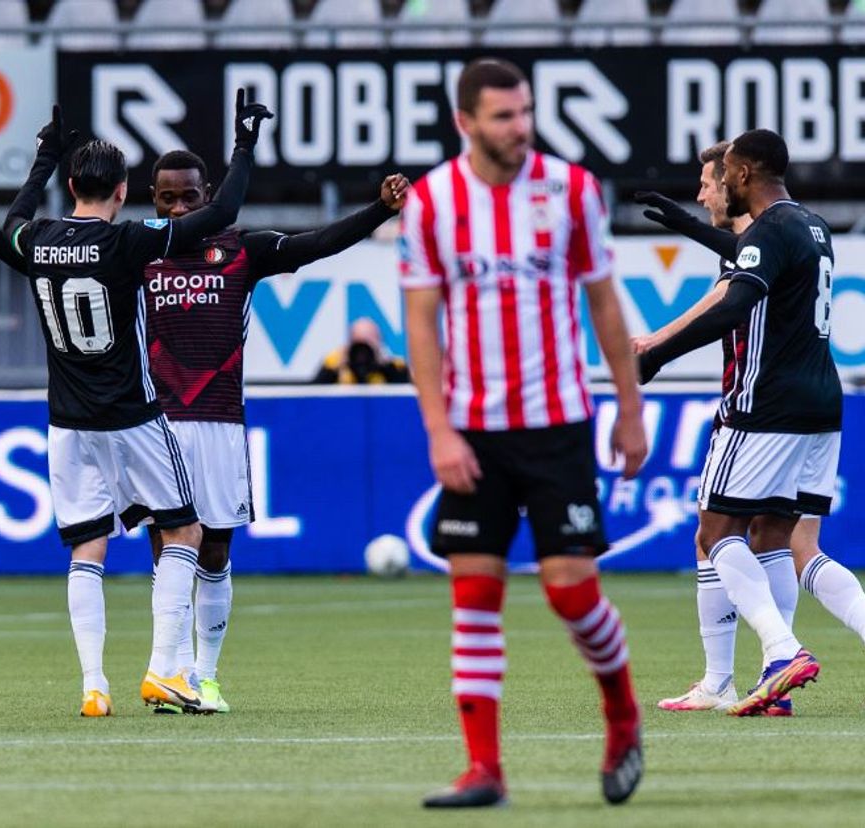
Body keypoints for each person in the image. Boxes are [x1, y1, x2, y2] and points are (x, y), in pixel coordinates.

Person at [0, 147, 409, 714]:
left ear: (207, 193)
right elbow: (45, 261)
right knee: (167, 544)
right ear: (140, 195)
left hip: (216, 422)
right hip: (151, 420)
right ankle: (169, 671)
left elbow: (317, 244)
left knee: (213, 551)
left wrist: (378, 211)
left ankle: (204, 674)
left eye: (188, 196)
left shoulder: (242, 250)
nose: (176, 207)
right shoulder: (137, 251)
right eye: (165, 197)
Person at [0, 96, 269, 717]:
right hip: (134, 416)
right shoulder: (129, 243)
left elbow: (9, 224)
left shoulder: (37, 241)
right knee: (185, 529)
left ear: (71, 185)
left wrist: (43, 155)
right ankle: (162, 672)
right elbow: (225, 210)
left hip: (67, 424)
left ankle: (94, 685)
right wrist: (244, 146)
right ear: (123, 191)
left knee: (86, 548)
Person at [399, 58, 647, 809]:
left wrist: (628, 407)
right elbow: (421, 322)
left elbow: (604, 302)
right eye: (504, 115)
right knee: (473, 593)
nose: (520, 126)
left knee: (573, 597)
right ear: (465, 123)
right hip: (474, 429)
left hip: (558, 423)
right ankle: (484, 770)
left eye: (525, 111)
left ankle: (623, 715)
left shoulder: (570, 190)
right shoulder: (434, 201)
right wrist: (439, 429)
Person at [637, 138, 865, 713]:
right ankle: (768, 681)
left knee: (715, 534)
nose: (712, 187)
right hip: (821, 403)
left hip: (764, 405)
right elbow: (752, 253)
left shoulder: (768, 230)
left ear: (741, 173)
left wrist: (656, 356)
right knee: (778, 539)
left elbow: (736, 304)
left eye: (718, 177)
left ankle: (782, 652)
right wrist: (694, 228)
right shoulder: (812, 226)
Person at [313, 318, 409, 384]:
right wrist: (335, 370)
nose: (363, 350)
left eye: (369, 339)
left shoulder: (394, 365)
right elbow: (314, 394)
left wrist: (387, 367)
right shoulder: (333, 363)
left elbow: (407, 394)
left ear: (379, 342)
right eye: (358, 340)